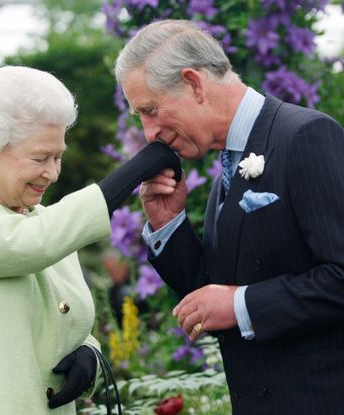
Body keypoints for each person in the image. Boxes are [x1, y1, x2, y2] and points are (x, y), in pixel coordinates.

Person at [114, 19, 344, 415]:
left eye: (150, 110)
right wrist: (168, 225)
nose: (149, 132)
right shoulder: (228, 165)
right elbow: (211, 297)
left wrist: (243, 305)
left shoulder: (305, 135)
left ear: (193, 83)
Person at [0, 65, 181, 415]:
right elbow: (26, 245)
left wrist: (89, 354)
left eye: (58, 156)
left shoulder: (49, 225)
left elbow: (62, 320)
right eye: (39, 157)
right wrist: (134, 171)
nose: (52, 171)